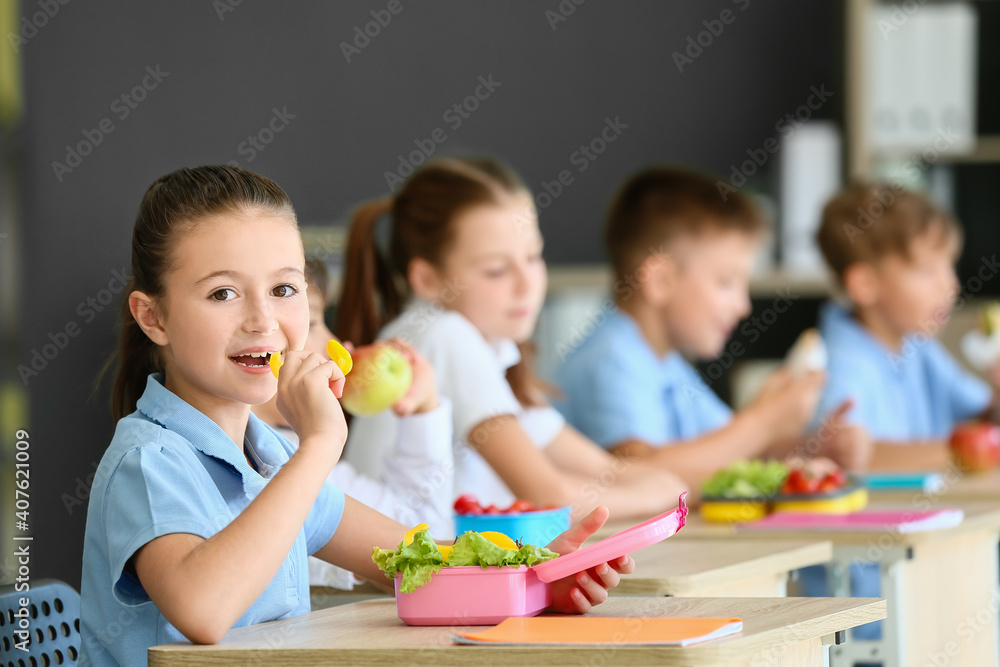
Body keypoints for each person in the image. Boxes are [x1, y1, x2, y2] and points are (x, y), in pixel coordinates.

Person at [79, 165, 634, 666]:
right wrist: (320, 445)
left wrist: (534, 577)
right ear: (152, 317)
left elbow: (417, 562)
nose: (262, 320)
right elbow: (202, 611)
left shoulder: (269, 455)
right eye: (223, 293)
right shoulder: (148, 460)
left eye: (284, 289)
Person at [336, 156, 687, 520]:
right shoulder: (443, 334)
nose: (527, 284)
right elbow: (548, 495)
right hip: (395, 574)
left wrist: (665, 482)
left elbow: (601, 468)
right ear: (427, 280)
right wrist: (661, 495)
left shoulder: (492, 347)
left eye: (533, 257)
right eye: (497, 269)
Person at [554, 166, 870, 489]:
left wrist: (809, 447)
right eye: (726, 282)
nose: (743, 306)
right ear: (661, 280)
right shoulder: (610, 360)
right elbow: (637, 472)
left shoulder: (667, 363)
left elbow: (725, 452)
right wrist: (762, 422)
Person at [253, 258, 454, 588]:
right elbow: (419, 550)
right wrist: (322, 440)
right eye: (316, 323)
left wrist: (424, 407)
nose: (341, 346)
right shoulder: (288, 460)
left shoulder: (292, 452)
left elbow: (415, 537)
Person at [813, 182, 1000, 470]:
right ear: (865, 284)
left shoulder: (917, 346)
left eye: (949, 266)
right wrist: (972, 448)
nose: (950, 285)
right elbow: (853, 455)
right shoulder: (839, 364)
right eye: (927, 271)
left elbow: (982, 415)